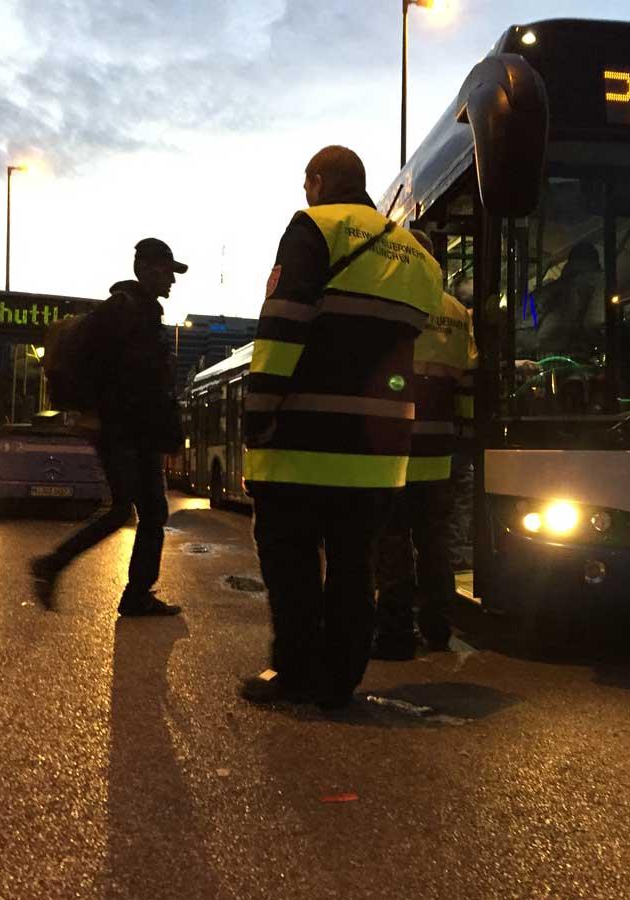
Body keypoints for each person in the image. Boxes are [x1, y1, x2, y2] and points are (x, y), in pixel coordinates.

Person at [241, 145, 444, 709]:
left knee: (292, 562)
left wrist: (258, 415)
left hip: (303, 443)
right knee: (355, 567)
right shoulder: (418, 257)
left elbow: (283, 326)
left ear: (318, 180)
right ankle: (341, 681)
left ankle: (296, 673)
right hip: (380, 452)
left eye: (308, 183)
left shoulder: (314, 228)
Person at [30, 238, 187, 615]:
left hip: (138, 429)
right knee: (129, 510)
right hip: (121, 428)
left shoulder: (144, 313)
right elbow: (92, 364)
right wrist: (96, 411)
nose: (172, 281)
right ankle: (54, 564)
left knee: (149, 511)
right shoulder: (121, 310)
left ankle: (135, 593)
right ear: (147, 270)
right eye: (167, 271)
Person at [372, 229, 477, 660]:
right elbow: (468, 381)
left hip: (396, 449)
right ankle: (437, 630)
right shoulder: (457, 312)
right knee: (434, 544)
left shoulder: (395, 306)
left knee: (392, 543)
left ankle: (395, 637)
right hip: (441, 452)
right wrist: (462, 436)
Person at [530, 242, 603, 358]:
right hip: (574, 358)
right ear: (595, 262)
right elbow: (594, 322)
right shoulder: (597, 281)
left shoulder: (548, 290)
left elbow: (525, 320)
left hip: (541, 355)